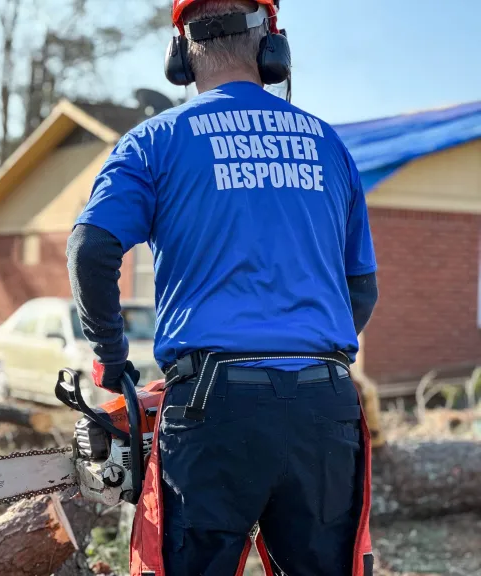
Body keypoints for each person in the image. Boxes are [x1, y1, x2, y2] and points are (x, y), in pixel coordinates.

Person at [66, 1, 379, 575]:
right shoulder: (329, 146)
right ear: (272, 47)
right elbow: (361, 289)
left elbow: (91, 249)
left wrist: (112, 360)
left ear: (180, 54)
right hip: (324, 407)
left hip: (211, 408)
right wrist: (300, 351)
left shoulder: (155, 141)